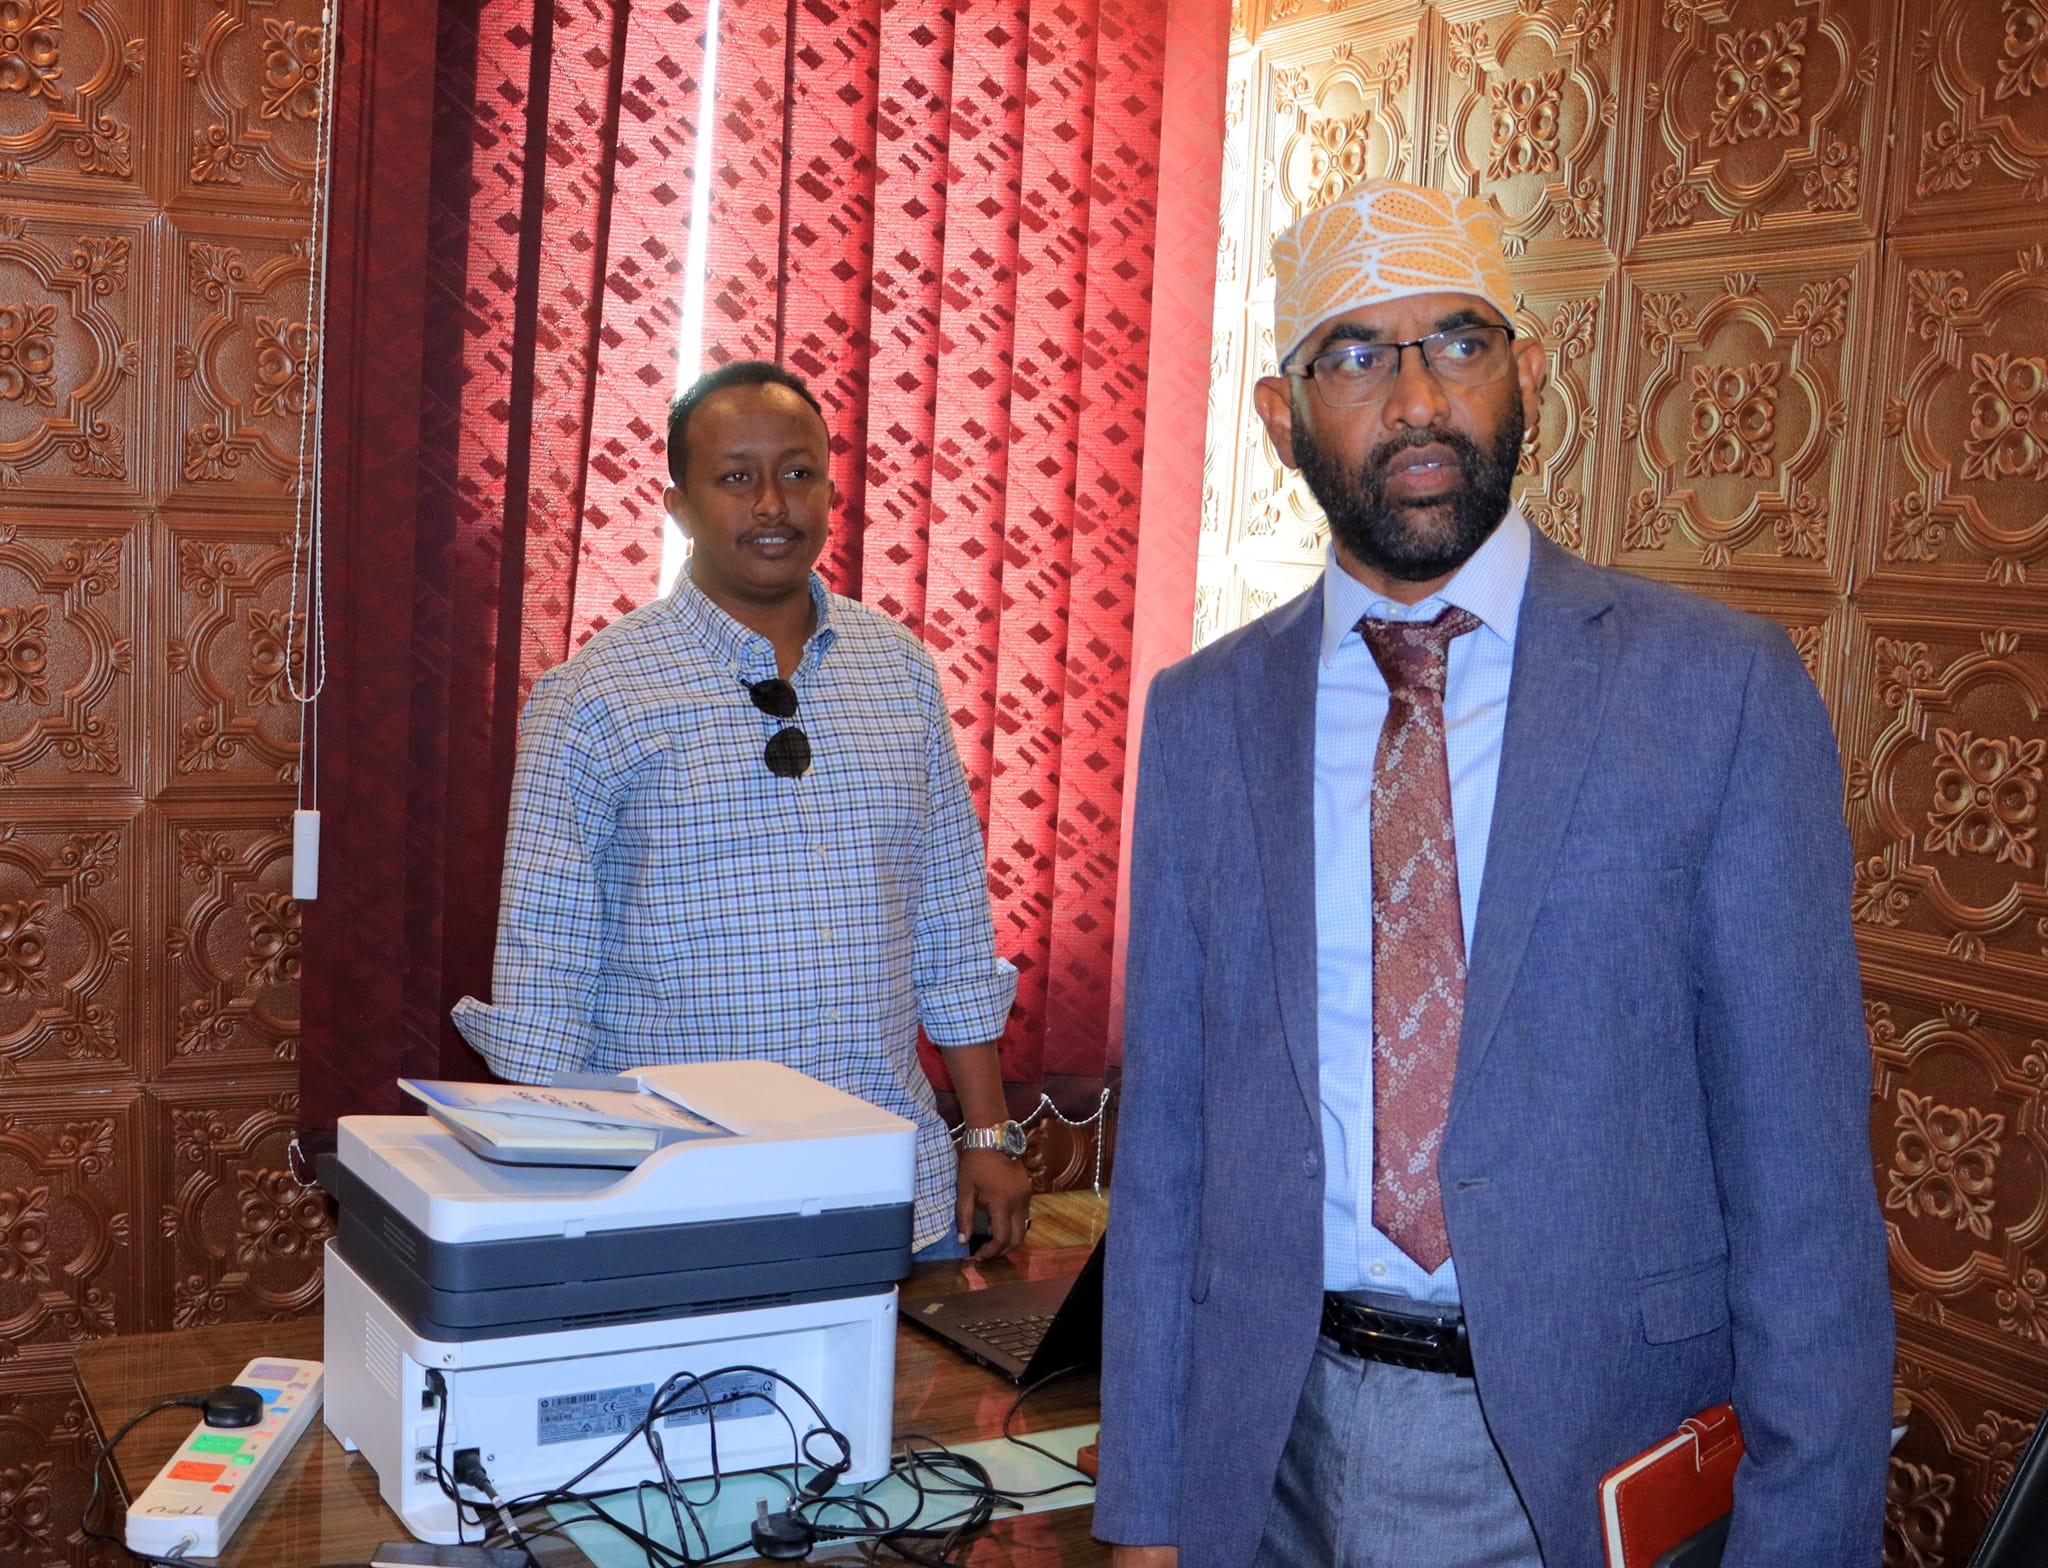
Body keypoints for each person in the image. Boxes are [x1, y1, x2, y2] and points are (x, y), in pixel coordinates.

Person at [1094, 178, 1892, 1567]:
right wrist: (1146, 1504)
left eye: (1459, 343)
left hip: (1591, 1456)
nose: (1417, 400)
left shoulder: (1714, 691)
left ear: (1526, 377)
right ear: (1281, 419)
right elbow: (1167, 1141)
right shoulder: (1207, 713)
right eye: (1356, 355)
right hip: (1264, 1444)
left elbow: (1804, 1181)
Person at [453, 360, 1032, 1262]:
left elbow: (951, 922)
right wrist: (550, 1207)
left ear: (831, 492)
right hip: (679, 1198)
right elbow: (545, 979)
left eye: (797, 473)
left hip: (891, 1187)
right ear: (679, 506)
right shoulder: (594, 697)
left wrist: (988, 1135)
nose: (772, 504)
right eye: (735, 478)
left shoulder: (900, 671)